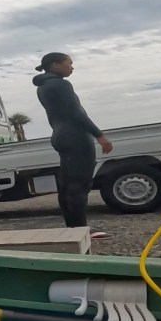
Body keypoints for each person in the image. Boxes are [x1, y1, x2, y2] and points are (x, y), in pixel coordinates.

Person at [33, 52, 114, 240]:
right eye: (69, 63)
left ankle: (73, 227)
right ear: (55, 65)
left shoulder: (43, 86)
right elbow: (76, 113)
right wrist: (99, 135)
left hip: (60, 135)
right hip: (75, 136)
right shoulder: (60, 84)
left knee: (67, 185)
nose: (72, 67)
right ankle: (80, 229)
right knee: (79, 185)